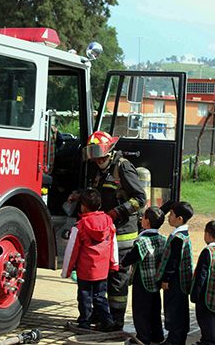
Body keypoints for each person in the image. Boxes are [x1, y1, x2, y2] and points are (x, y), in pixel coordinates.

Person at [77, 130, 147, 329]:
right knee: (103, 278)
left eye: (99, 155)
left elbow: (140, 199)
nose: (97, 160)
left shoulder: (123, 168)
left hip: (124, 233)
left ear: (109, 151)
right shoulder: (101, 170)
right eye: (94, 156)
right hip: (106, 233)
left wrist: (117, 212)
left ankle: (116, 320)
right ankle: (102, 316)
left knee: (118, 279)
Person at [61, 189, 118, 331]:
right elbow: (113, 245)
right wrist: (114, 264)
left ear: (83, 206)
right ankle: (107, 320)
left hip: (85, 271)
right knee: (100, 296)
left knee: (85, 297)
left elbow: (71, 251)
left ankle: (84, 322)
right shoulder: (109, 222)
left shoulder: (80, 226)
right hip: (102, 270)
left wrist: (66, 271)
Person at [121, 207, 167, 344]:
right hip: (156, 280)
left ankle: (143, 337)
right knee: (155, 309)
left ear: (147, 222)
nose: (141, 219)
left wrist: (121, 264)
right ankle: (157, 336)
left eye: (144, 217)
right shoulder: (163, 238)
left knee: (141, 311)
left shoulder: (142, 241)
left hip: (142, 280)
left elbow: (132, 257)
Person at [156, 201, 194, 344]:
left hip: (175, 280)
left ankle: (174, 339)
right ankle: (179, 337)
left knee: (173, 309)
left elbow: (173, 261)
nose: (168, 217)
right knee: (180, 308)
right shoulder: (183, 233)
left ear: (180, 219)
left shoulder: (177, 238)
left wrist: (166, 279)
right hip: (182, 280)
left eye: (171, 214)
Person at [191, 220, 215, 345]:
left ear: (208, 235)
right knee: (214, 316)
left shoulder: (207, 252)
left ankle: (209, 340)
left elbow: (201, 274)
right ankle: (211, 337)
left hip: (205, 292)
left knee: (205, 318)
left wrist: (195, 292)